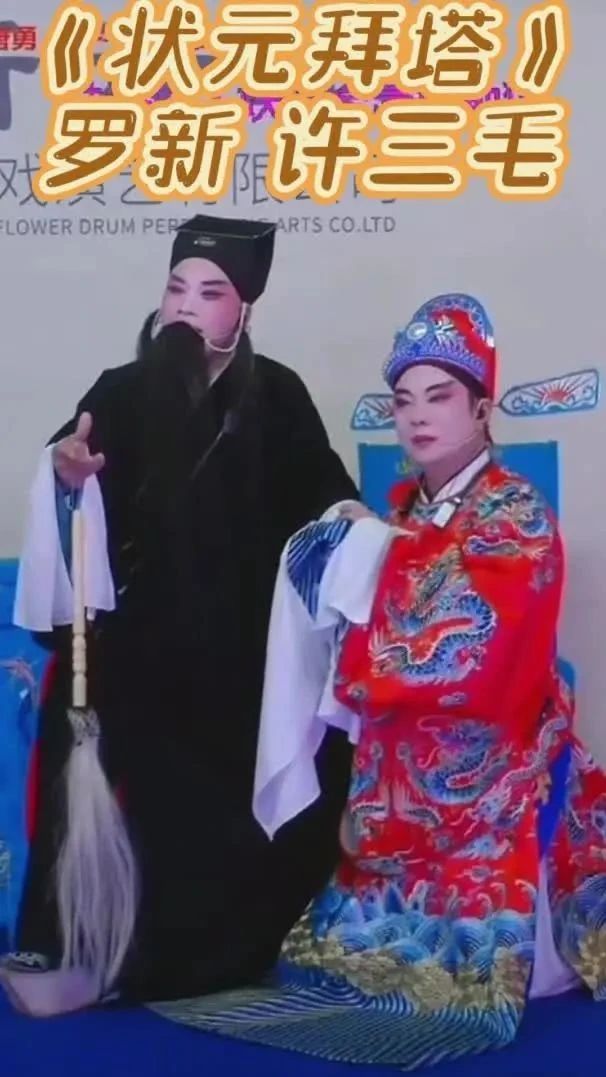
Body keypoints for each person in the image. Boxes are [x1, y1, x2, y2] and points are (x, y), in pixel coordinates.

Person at [155, 294, 606, 1068]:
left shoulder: (516, 514)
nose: (418, 415)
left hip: (493, 782)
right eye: (404, 399)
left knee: (464, 972)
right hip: (393, 788)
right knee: (332, 964)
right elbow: (357, 624)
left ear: (482, 407)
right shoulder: (395, 517)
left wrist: (376, 570)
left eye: (440, 396)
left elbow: (482, 646)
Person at [3, 214, 358, 1011]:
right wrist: (66, 473)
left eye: (210, 292)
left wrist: (351, 516)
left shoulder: (278, 395)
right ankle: (74, 948)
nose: (187, 307)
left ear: (245, 309)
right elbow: (70, 460)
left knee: (283, 756)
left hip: (239, 650)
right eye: (176, 289)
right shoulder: (119, 391)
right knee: (78, 728)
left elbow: (323, 487)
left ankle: (203, 958)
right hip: (131, 643)